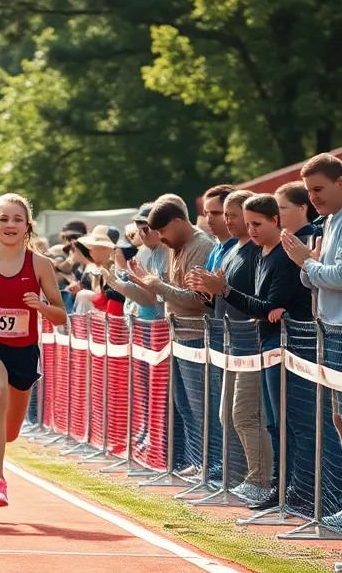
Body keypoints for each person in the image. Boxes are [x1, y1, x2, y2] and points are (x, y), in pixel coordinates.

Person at [189, 195, 312, 513]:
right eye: (245, 221)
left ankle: (276, 484)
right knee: (261, 421)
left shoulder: (277, 253)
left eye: (253, 222)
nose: (244, 226)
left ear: (275, 219)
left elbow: (266, 305)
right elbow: (259, 304)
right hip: (251, 343)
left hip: (270, 345)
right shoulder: (254, 253)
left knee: (274, 420)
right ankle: (275, 485)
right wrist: (213, 294)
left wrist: (225, 291)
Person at [282, 153, 342, 532]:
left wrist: (307, 262)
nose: (313, 198)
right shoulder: (335, 218)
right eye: (308, 191)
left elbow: (339, 278)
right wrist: (310, 265)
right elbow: (317, 279)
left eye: (318, 189)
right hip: (340, 328)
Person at [0, 193, 67, 506]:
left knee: (10, 434)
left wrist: (42, 306)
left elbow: (60, 315)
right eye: (3, 218)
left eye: (17, 219)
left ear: (27, 226)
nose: (10, 224)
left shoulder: (41, 265)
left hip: (23, 350)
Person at [189, 190, 270, 499]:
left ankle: (259, 480)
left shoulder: (255, 253)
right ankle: (242, 475)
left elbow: (253, 300)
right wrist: (208, 291)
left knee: (246, 415)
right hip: (230, 343)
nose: (227, 220)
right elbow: (223, 296)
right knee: (229, 415)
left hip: (251, 343)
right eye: (227, 215)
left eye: (232, 215)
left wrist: (219, 289)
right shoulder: (233, 249)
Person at [126, 195, 215, 473]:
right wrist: (150, 285)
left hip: (197, 336)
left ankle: (211, 465)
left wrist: (157, 285)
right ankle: (197, 460)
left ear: (177, 221)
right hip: (179, 336)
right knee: (186, 406)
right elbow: (172, 294)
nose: (160, 238)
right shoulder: (178, 244)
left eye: (162, 230)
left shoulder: (201, 246)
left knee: (202, 408)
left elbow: (196, 300)